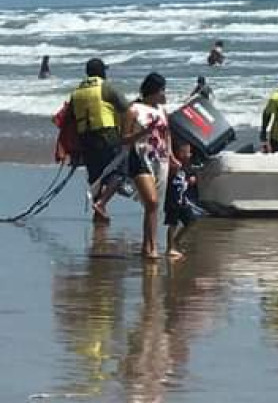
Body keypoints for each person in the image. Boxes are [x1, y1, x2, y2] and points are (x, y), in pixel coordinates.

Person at [70, 58, 131, 223]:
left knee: (95, 176)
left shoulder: (76, 92)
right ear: (101, 72)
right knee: (120, 171)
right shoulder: (106, 87)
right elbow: (127, 109)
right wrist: (126, 135)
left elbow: (70, 120)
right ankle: (101, 203)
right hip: (107, 135)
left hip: (85, 138)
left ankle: (98, 214)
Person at [124, 73, 172, 259]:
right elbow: (123, 140)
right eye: (162, 90)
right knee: (151, 201)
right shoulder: (133, 110)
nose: (164, 94)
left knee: (155, 205)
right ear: (153, 91)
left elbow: (167, 134)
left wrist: (172, 156)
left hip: (160, 159)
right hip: (139, 157)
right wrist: (143, 132)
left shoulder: (162, 111)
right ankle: (150, 247)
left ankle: (149, 245)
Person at [164, 139, 203, 260]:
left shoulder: (187, 167)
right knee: (173, 224)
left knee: (191, 221)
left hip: (183, 200)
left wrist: (193, 179)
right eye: (186, 152)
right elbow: (167, 176)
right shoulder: (173, 166)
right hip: (172, 200)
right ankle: (170, 248)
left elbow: (192, 176)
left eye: (189, 152)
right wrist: (173, 167)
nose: (189, 154)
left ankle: (177, 239)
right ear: (178, 153)